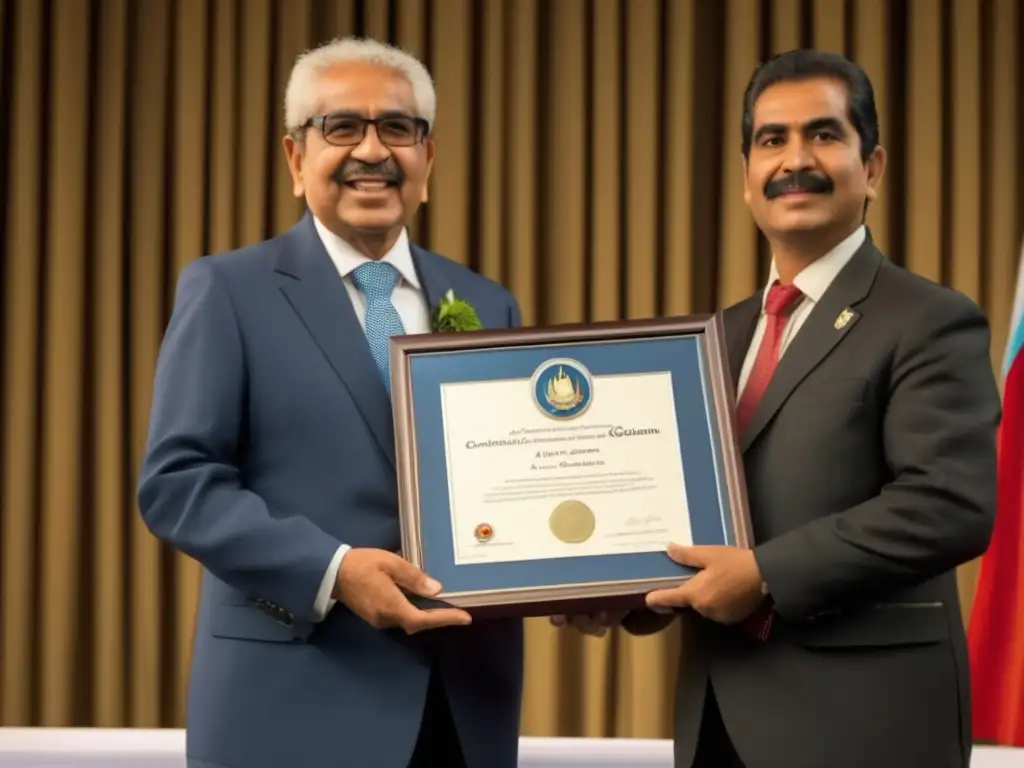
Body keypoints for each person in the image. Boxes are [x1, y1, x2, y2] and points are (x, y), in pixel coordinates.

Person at [556, 49, 999, 768]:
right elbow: (686, 517)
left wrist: (764, 575)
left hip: (868, 727)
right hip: (719, 722)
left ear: (874, 167)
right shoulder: (713, 339)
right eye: (772, 140)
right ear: (746, 180)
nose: (796, 159)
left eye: (823, 135)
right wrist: (623, 591)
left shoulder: (929, 319)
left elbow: (948, 504)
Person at [137, 37, 524, 768]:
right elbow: (177, 484)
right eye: (341, 127)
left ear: (428, 161)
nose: (371, 150)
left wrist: (578, 573)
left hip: (461, 708)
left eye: (397, 128)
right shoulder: (227, 291)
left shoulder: (484, 300)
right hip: (289, 704)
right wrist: (335, 570)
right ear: (295, 159)